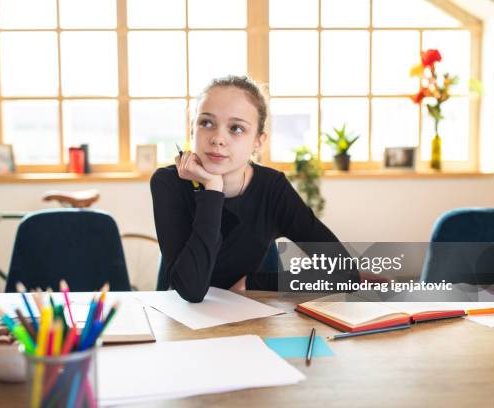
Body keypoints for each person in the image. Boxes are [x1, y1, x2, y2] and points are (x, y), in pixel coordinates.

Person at [150, 75, 358, 303]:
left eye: (236, 128)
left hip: (249, 320)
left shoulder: (272, 188)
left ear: (258, 141)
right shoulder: (168, 182)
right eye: (206, 123)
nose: (218, 138)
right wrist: (212, 189)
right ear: (192, 129)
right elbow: (192, 290)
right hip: (181, 322)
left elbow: (345, 272)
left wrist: (255, 283)